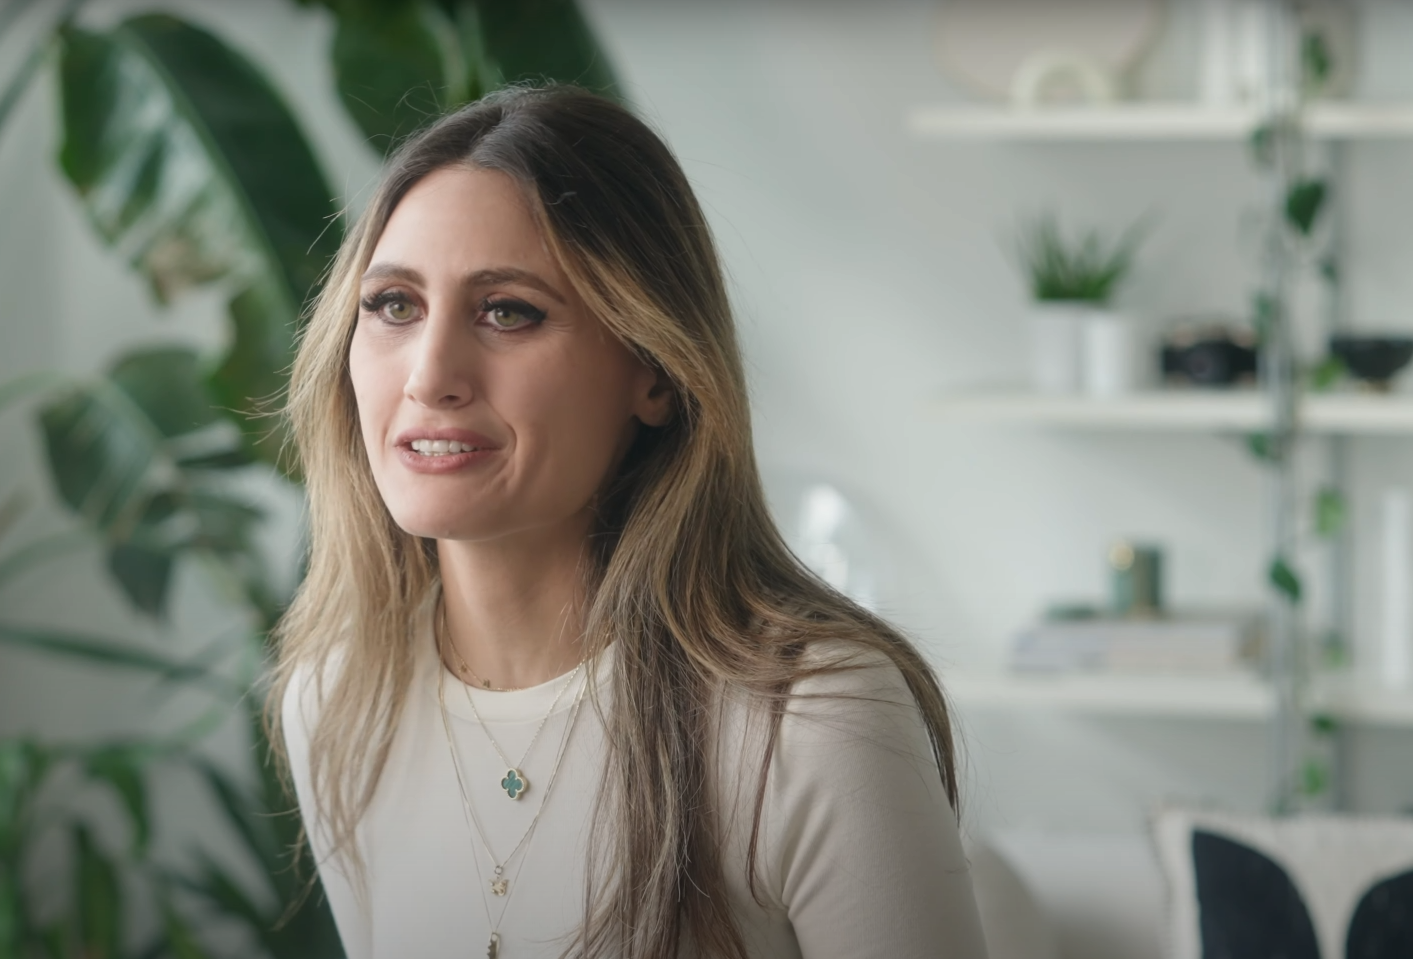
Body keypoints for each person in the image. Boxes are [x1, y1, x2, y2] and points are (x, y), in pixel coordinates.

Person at [269, 85, 986, 959]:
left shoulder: (811, 721)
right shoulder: (338, 699)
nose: (429, 376)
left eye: (508, 312)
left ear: (654, 370)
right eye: (393, 306)